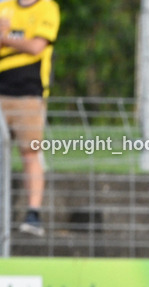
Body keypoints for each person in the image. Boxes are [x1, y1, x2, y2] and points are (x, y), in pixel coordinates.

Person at [0, 0, 59, 237]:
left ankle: (33, 214)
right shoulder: (5, 7)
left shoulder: (47, 8)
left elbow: (37, 47)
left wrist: (6, 39)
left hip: (28, 93)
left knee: (30, 153)